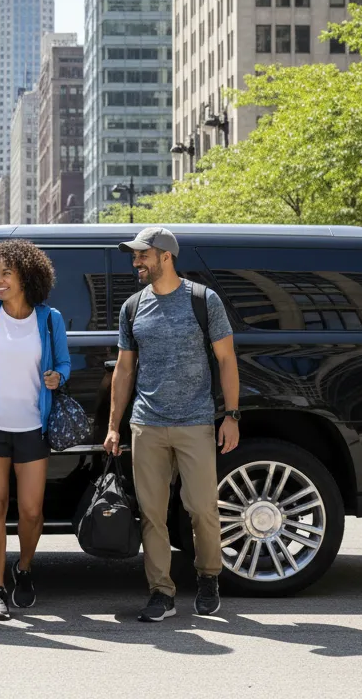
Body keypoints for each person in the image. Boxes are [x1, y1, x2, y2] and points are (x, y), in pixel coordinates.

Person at [104, 226, 241, 622]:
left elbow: (227, 359)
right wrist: (114, 425)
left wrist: (231, 415)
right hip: (147, 424)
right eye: (134, 255)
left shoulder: (203, 300)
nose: (136, 261)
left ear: (165, 256)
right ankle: (161, 592)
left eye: (142, 254)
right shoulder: (132, 307)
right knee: (152, 514)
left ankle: (209, 578)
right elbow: (124, 370)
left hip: (195, 421)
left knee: (202, 509)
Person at [0, 240, 71, 620]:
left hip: (33, 427)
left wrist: (58, 377)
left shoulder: (49, 319)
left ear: (27, 276)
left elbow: (64, 363)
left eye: (7, 272)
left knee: (32, 512)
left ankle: (24, 567)